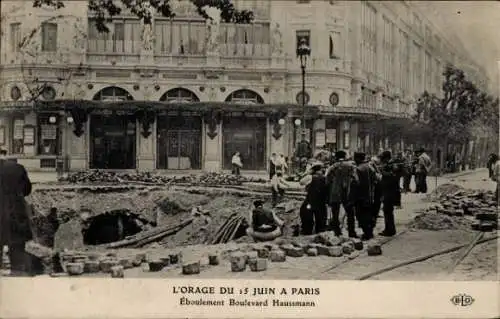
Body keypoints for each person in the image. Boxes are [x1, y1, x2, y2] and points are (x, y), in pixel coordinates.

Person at [0, 148, 34, 276]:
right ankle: (18, 272)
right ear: (5, 154)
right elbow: (27, 190)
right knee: (17, 246)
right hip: (15, 211)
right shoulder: (18, 168)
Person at [325, 150, 359, 237]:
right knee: (350, 213)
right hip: (347, 192)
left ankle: (337, 232)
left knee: (335, 213)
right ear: (344, 156)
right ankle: (351, 232)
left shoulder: (333, 167)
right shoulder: (350, 166)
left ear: (336, 157)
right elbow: (356, 179)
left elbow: (327, 180)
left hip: (335, 192)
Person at [378, 150, 405, 237]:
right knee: (387, 211)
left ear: (386, 158)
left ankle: (390, 230)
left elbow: (393, 176)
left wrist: (383, 171)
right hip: (388, 191)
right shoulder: (389, 165)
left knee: (388, 211)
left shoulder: (393, 166)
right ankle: (389, 229)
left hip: (390, 191)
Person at [353, 152, 379, 240]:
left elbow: (356, 183)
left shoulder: (358, 169)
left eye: (355, 158)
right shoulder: (370, 167)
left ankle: (366, 233)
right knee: (369, 214)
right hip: (371, 195)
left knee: (361, 215)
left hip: (361, 196)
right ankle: (369, 232)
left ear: (358, 159)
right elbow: (377, 179)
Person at [299, 161, 328, 235]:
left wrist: (308, 173)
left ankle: (307, 231)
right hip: (321, 201)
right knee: (321, 217)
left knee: (305, 213)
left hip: (311, 201)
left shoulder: (310, 177)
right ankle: (320, 232)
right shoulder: (325, 178)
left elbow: (301, 182)